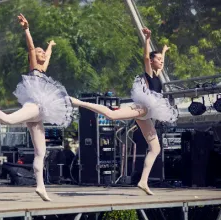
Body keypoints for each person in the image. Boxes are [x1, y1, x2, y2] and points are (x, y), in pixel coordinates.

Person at [0, 14, 73, 201]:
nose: (42, 54)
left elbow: (47, 56)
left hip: (39, 113)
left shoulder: (43, 69)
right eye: (40, 52)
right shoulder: (34, 66)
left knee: (41, 152)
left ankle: (41, 187)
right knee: (8, 119)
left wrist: (50, 46)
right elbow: (31, 47)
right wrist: (27, 29)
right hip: (34, 104)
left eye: (43, 53)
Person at [70, 27, 178, 195]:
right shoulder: (149, 72)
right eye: (158, 59)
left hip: (147, 113)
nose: (161, 62)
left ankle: (143, 181)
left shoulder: (157, 73)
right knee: (111, 115)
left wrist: (163, 51)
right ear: (151, 62)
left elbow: (160, 63)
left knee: (155, 148)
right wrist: (147, 39)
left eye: (162, 59)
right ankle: (79, 102)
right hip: (142, 108)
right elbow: (145, 57)